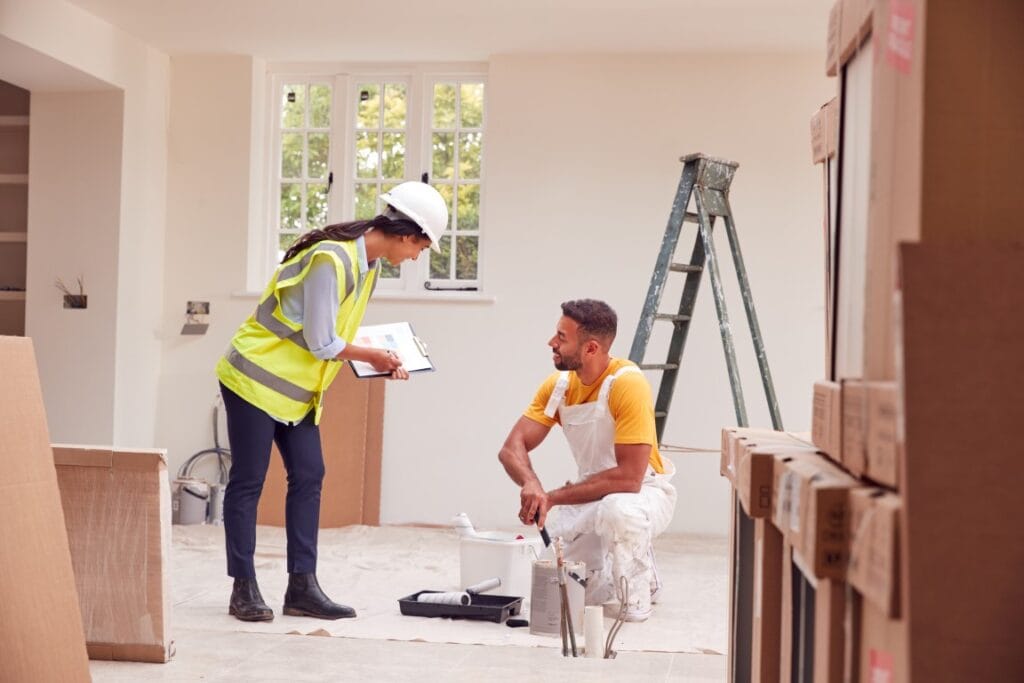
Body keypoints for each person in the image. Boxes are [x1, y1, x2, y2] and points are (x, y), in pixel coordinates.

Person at [215, 181, 446, 622]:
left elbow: (332, 332)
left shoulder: (369, 265)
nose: (417, 256)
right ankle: (243, 588)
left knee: (309, 474)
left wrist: (383, 358)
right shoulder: (330, 259)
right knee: (249, 480)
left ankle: (302, 587)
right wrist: (372, 355)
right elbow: (323, 341)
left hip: (295, 390)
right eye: (421, 246)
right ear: (405, 233)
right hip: (253, 378)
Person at [498, 299, 677, 622]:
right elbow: (512, 448)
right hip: (592, 493)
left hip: (643, 494)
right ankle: (619, 565)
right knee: (566, 592)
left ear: (591, 348)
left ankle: (638, 593)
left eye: (561, 337)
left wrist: (551, 497)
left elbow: (628, 479)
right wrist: (531, 484)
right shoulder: (559, 387)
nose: (551, 343)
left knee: (618, 511)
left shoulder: (627, 384)